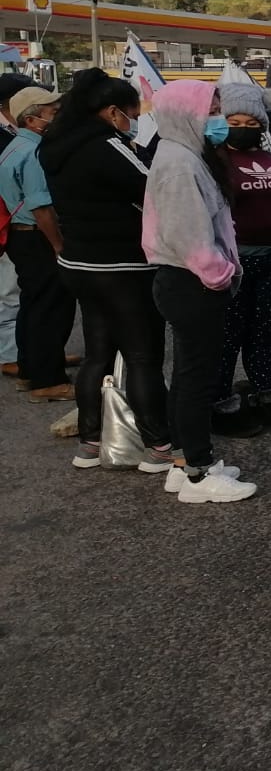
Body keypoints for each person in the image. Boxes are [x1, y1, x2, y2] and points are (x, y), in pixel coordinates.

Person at [38, 69, 172, 472]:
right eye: (132, 113)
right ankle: (158, 445)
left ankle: (90, 443)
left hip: (79, 261)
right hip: (122, 264)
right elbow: (153, 187)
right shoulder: (107, 144)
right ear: (113, 112)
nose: (133, 121)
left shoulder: (55, 145)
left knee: (98, 352)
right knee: (143, 354)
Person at [142, 80, 255, 503]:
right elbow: (188, 236)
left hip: (190, 280)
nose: (219, 120)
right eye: (212, 110)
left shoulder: (185, 155)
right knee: (195, 379)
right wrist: (219, 274)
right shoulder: (178, 164)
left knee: (189, 374)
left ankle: (182, 461)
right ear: (186, 112)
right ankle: (197, 472)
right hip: (191, 281)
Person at [211, 75, 271, 436]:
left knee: (262, 332)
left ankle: (265, 396)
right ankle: (220, 402)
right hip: (234, 262)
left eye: (252, 124)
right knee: (229, 335)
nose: (243, 130)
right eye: (235, 123)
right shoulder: (214, 160)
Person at [0, 84, 76, 402]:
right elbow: (41, 208)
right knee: (51, 307)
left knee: (33, 305)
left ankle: (34, 369)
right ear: (32, 120)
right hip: (37, 236)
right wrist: (59, 245)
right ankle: (48, 379)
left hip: (23, 237)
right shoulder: (33, 153)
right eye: (53, 113)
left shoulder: (16, 146)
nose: (58, 117)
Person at [0, 73, 28, 379]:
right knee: (9, 291)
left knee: (22, 289)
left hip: (15, 217)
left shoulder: (13, 130)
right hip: (6, 220)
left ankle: (32, 350)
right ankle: (9, 354)